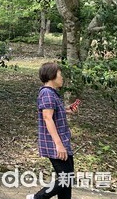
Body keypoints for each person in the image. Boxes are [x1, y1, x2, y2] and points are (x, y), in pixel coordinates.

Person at [26, 62, 76, 199]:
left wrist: (66, 110)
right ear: (52, 75)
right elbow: (48, 118)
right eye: (60, 74)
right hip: (55, 143)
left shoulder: (52, 93)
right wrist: (59, 145)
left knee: (66, 179)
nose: (62, 77)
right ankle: (37, 197)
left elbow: (53, 112)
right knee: (66, 178)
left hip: (62, 141)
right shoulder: (47, 93)